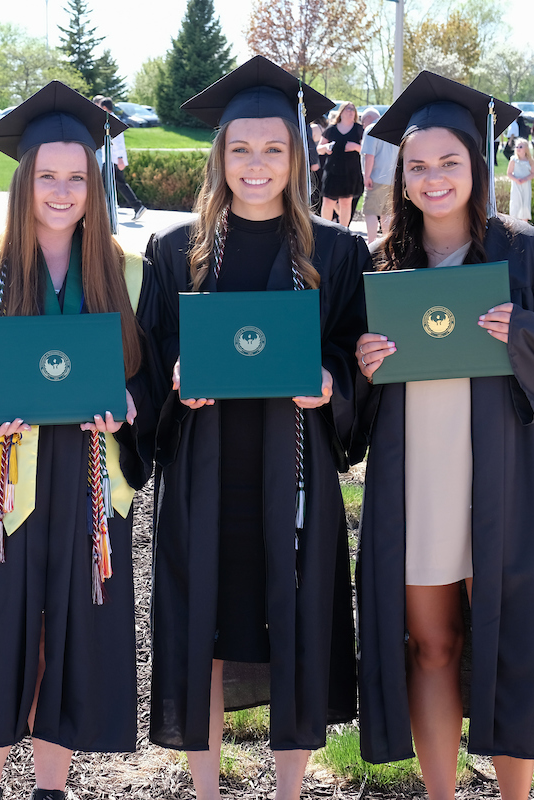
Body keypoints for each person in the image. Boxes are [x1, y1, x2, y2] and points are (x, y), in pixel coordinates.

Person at [354, 72, 534, 800]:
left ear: (478, 167)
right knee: (430, 646)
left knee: (507, 646)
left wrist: (522, 332)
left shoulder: (529, 258)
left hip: (501, 479)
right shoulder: (384, 267)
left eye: (449, 163)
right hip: (416, 480)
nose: (433, 179)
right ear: (402, 178)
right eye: (418, 166)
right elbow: (346, 379)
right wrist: (364, 365)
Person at [0, 81, 152, 800]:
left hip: (87, 478)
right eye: (46, 175)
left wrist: (128, 407)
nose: (61, 189)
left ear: (95, 182)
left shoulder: (132, 274)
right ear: (23, 181)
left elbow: (155, 378)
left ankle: (52, 787)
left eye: (75, 176)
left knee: (71, 634)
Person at [142, 55, 366, 800]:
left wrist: (332, 383)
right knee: (199, 632)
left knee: (296, 627)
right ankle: (206, 791)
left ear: (297, 157)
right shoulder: (175, 252)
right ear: (220, 155)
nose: (257, 164)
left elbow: (355, 358)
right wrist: (175, 384)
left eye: (274, 148)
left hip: (293, 476)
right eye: (241, 148)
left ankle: (289, 792)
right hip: (204, 477)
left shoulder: (336, 254)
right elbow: (147, 361)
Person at [97, 97, 147, 221]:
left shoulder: (112, 121)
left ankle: (104, 211)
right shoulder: (111, 120)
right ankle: (137, 206)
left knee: (104, 184)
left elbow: (118, 142)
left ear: (104, 108)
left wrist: (119, 158)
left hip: (113, 160)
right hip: (111, 159)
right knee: (118, 184)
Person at [319, 101, 364, 228]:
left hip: (350, 171)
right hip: (332, 170)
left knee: (346, 202)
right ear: (341, 112)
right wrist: (326, 147)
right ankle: (326, 229)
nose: (350, 111)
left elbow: (365, 149)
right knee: (328, 202)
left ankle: (344, 231)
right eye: (348, 109)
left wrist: (355, 147)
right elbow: (319, 149)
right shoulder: (331, 129)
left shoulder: (358, 129)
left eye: (353, 109)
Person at [360, 106, 398, 242]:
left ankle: (371, 243)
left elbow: (369, 155)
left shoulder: (371, 129)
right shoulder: (393, 129)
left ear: (368, 119)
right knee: (387, 214)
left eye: (363, 122)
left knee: (370, 212)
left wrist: (366, 175)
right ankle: (385, 243)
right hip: (393, 178)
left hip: (376, 177)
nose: (363, 125)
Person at [507, 138, 534, 221]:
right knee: (515, 202)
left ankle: (525, 223)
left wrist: (526, 179)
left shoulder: (530, 160)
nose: (518, 149)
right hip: (516, 185)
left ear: (526, 148)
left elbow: (533, 173)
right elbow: (509, 173)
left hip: (526, 185)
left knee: (525, 203)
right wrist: (516, 180)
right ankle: (514, 222)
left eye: (520, 147)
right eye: (517, 147)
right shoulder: (513, 159)